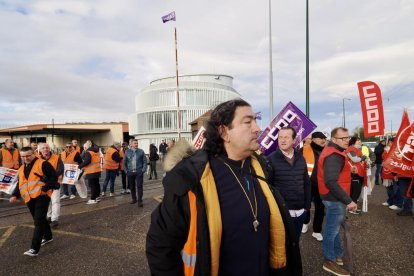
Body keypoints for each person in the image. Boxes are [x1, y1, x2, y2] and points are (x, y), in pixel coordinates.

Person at [146, 99, 301, 276]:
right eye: (248, 122)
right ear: (224, 132)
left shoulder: (260, 168)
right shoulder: (193, 178)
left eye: (256, 120)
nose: (258, 128)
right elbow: (160, 247)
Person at [318, 127, 358, 276]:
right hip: (334, 198)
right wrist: (349, 201)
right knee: (331, 230)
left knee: (333, 228)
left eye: (348, 137)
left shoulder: (335, 152)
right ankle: (329, 261)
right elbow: (331, 181)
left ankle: (337, 253)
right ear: (334, 140)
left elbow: (334, 173)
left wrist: (349, 169)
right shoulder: (334, 155)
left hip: (332, 197)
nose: (347, 140)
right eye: (343, 138)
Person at [9, 146, 58, 257]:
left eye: (28, 155)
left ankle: (34, 249)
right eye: (23, 156)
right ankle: (48, 236)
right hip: (29, 198)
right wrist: (15, 195)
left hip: (42, 196)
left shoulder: (43, 164)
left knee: (38, 222)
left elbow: (54, 177)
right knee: (39, 219)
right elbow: (20, 183)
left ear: (33, 154)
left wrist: (45, 189)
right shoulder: (22, 167)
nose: (25, 158)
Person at [268, 126, 310, 241]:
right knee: (282, 244)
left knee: (295, 242)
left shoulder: (301, 158)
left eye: (286, 137)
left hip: (301, 211)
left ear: (294, 140)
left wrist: (306, 207)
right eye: (280, 137)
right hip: (282, 212)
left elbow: (306, 183)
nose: (282, 140)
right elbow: (268, 187)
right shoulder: (270, 159)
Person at [301, 131, 327, 242]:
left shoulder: (327, 151)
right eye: (321, 138)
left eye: (324, 138)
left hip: (322, 184)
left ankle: (317, 231)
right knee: (305, 206)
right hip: (307, 184)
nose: (323, 140)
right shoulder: (303, 149)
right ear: (314, 139)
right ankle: (305, 222)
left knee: (320, 208)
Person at [39, 143, 64, 228]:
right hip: (44, 184)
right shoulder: (37, 159)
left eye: (47, 148)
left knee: (55, 201)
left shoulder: (57, 158)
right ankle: (49, 216)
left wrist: (50, 177)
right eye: (43, 148)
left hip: (55, 183)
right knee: (47, 201)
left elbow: (60, 169)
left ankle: (54, 219)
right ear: (40, 150)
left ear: (49, 149)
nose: (45, 149)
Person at [345, 136, 367, 215]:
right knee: (356, 191)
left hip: (358, 172)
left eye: (360, 140)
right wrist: (363, 157)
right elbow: (355, 159)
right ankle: (352, 208)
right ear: (353, 141)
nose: (360, 142)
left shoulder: (356, 149)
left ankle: (351, 206)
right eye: (358, 140)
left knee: (354, 191)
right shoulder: (350, 149)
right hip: (354, 173)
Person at [380, 138, 403, 210]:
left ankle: (398, 203)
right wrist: (386, 151)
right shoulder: (386, 150)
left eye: (391, 142)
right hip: (386, 172)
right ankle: (390, 201)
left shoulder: (398, 150)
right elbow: (383, 157)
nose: (390, 144)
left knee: (396, 189)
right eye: (389, 142)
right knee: (389, 189)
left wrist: (396, 174)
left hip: (394, 173)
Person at [124, 139, 147, 207]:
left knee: (139, 186)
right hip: (130, 172)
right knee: (132, 187)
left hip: (139, 172)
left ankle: (140, 201)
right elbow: (124, 162)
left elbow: (145, 162)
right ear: (131, 144)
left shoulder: (141, 151)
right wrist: (126, 171)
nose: (136, 144)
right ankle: (134, 199)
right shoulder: (127, 152)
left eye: (137, 143)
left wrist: (143, 170)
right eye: (135, 143)